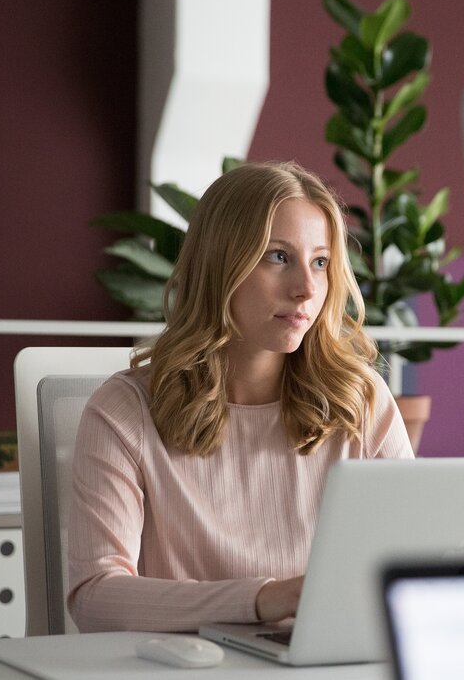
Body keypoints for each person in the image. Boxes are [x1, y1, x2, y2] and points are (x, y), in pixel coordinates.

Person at [66, 161, 414, 632]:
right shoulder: (125, 411)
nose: (306, 289)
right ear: (220, 264)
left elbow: (411, 572)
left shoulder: (361, 402)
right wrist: (262, 599)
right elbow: (95, 598)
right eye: (277, 256)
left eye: (320, 262)